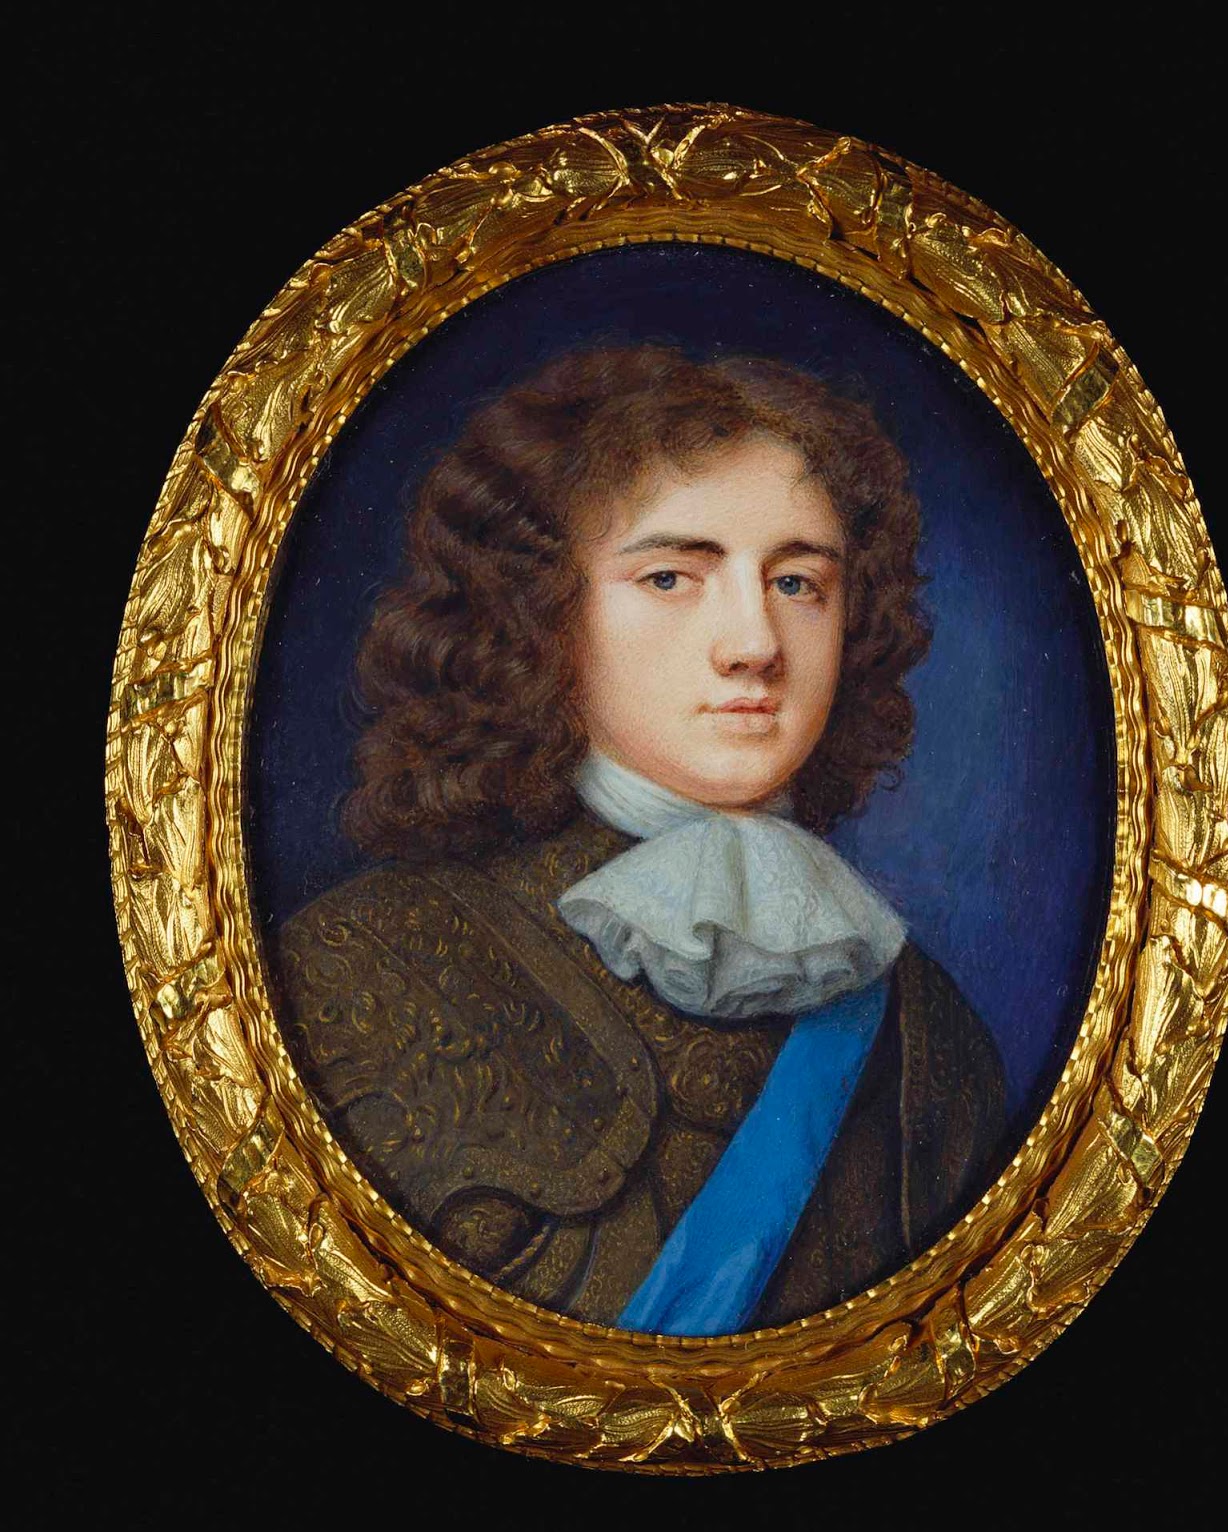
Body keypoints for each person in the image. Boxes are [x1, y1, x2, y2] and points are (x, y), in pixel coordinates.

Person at [272, 344, 1005, 1335]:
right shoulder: (353, 967)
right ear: (543, 612)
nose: (754, 644)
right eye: (670, 577)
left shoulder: (931, 1034)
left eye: (798, 584)